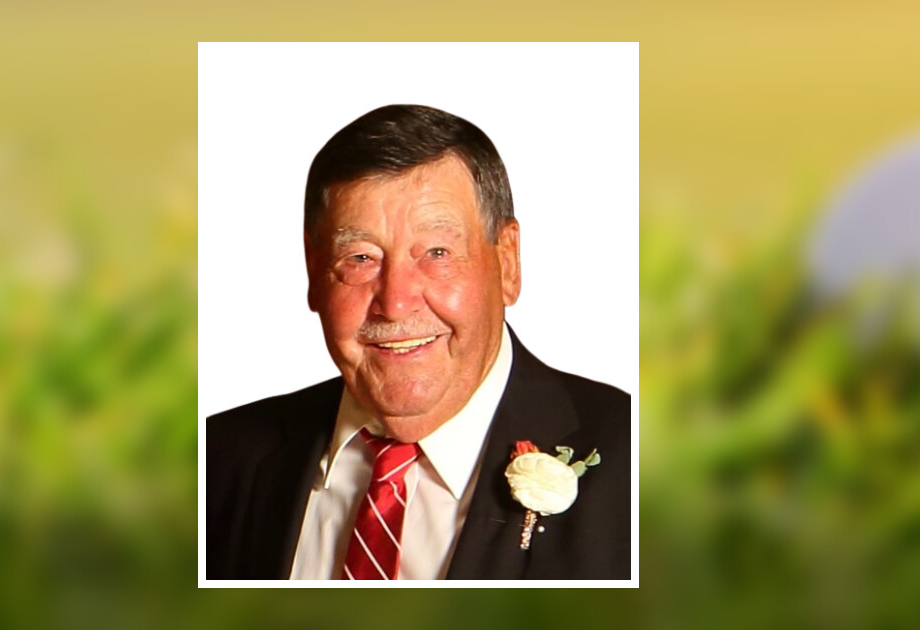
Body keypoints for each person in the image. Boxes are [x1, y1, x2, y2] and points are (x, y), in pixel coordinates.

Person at [206, 104, 631, 580]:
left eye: (437, 252)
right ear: (313, 269)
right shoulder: (216, 460)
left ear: (507, 262)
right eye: (360, 258)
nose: (395, 302)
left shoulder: (641, 463)